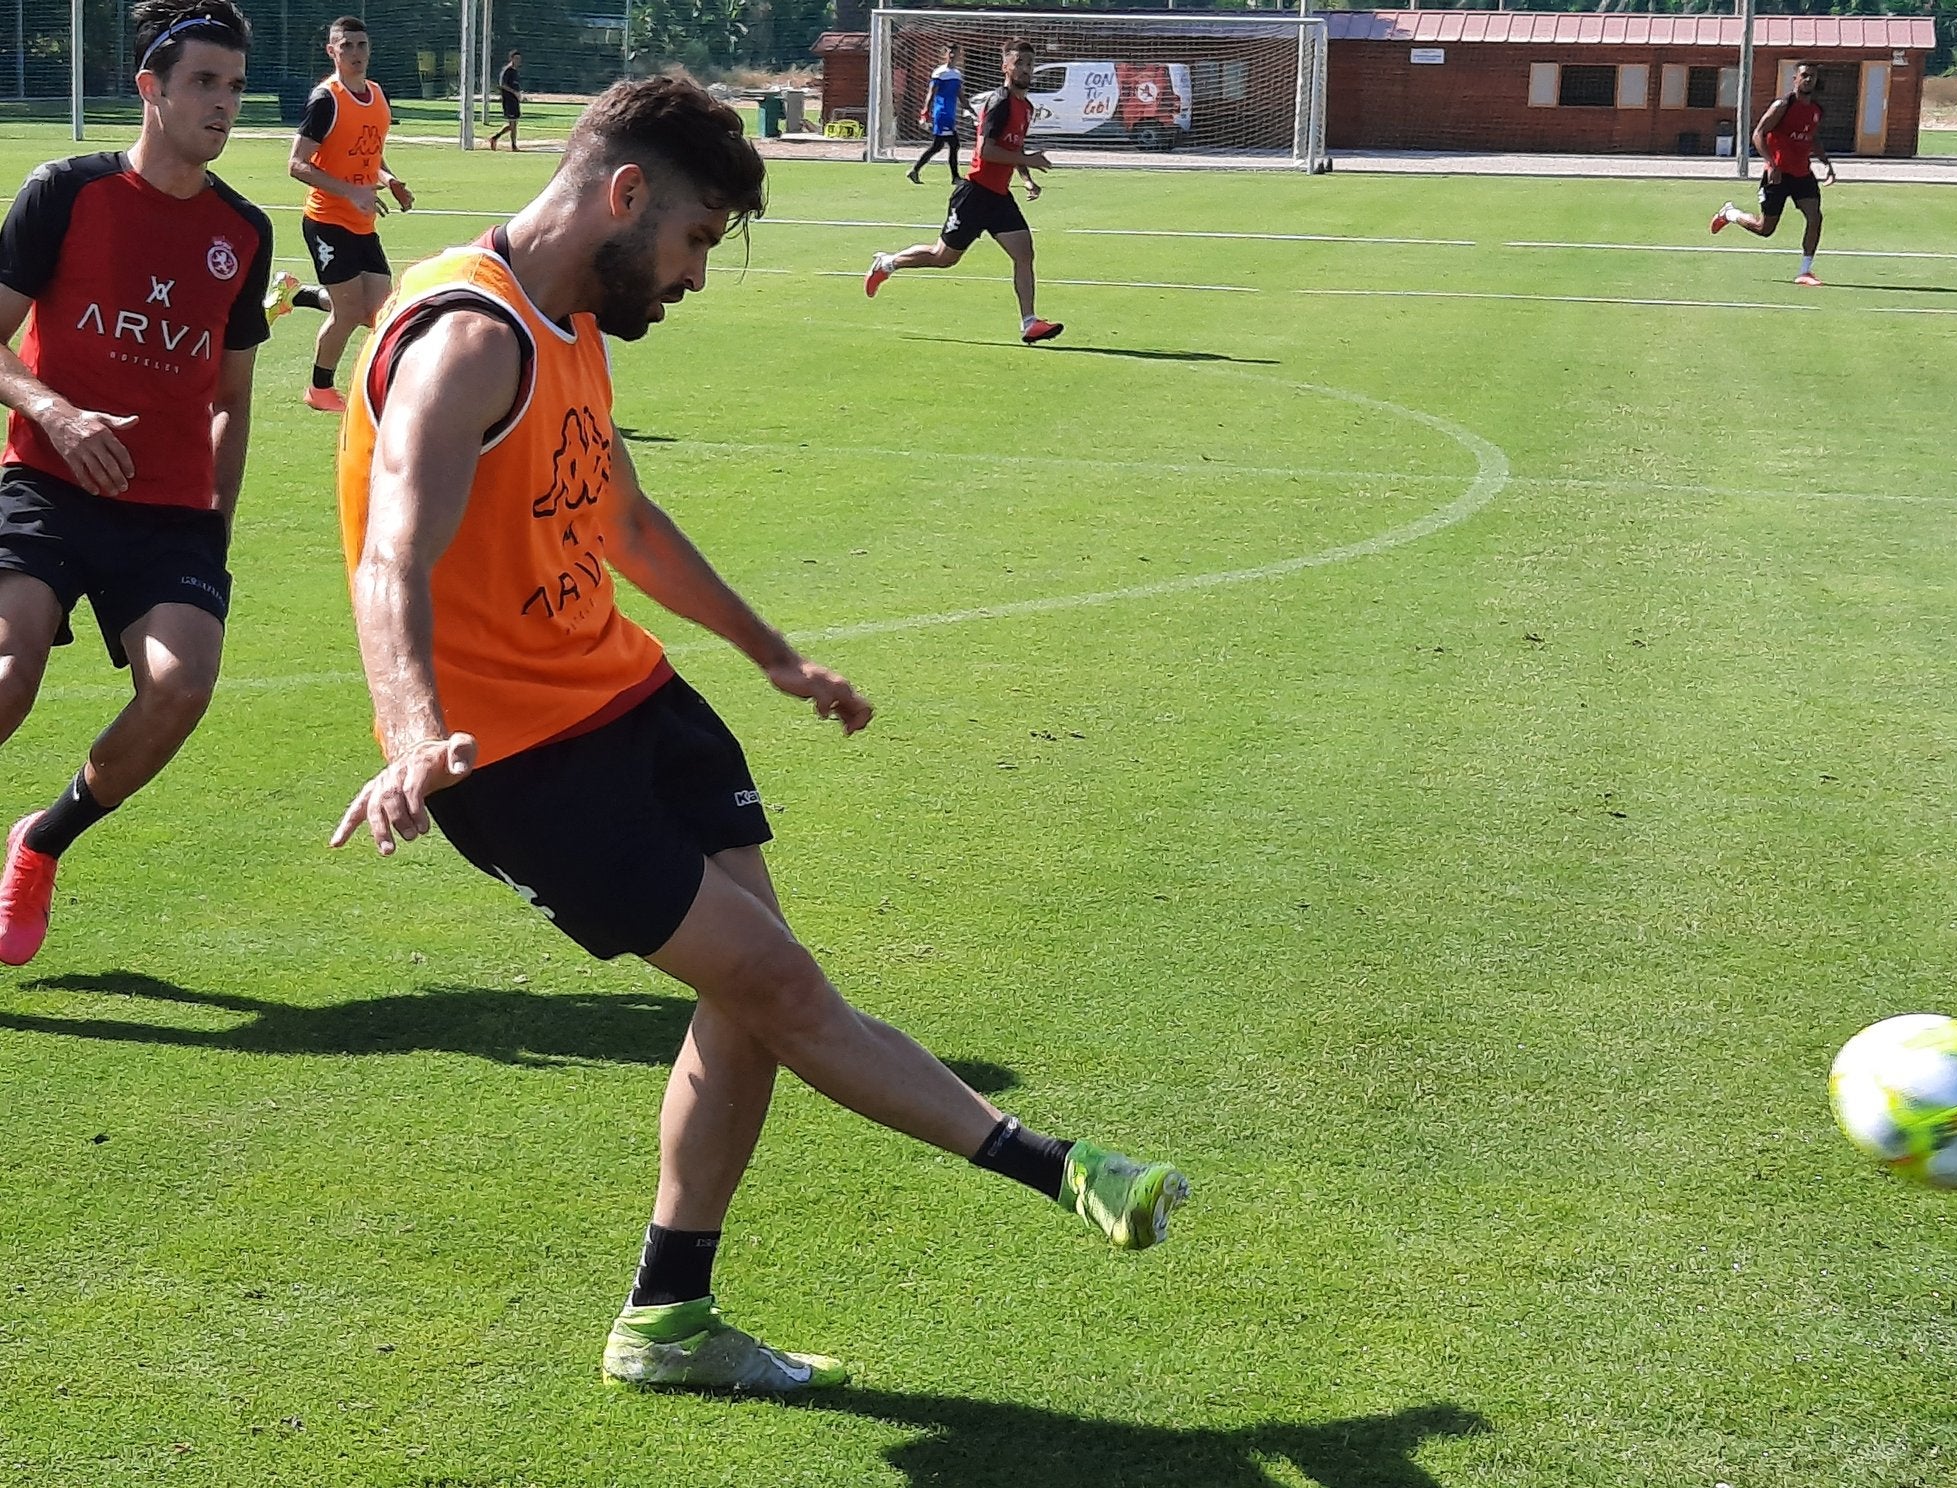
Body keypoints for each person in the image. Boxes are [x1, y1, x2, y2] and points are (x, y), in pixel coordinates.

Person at [330, 72, 1187, 1394]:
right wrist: (412, 730)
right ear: (625, 197)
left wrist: (771, 654)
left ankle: (668, 1318)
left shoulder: (566, 321)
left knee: (750, 996)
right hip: (521, 766)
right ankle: (1059, 1167)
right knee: (780, 992)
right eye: (693, 244)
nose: (691, 279)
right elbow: (392, 558)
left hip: (629, 698)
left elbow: (622, 519)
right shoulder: (466, 338)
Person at [0, 0, 271, 967]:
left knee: (181, 688)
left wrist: (216, 522)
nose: (223, 105)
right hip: (45, 481)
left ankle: (40, 843)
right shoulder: (65, 191)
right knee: (7, 673)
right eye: (204, 82)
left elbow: (233, 396)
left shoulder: (243, 231)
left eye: (235, 86)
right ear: (149, 88)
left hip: (169, 514)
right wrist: (58, 415)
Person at [864, 37, 1063, 346]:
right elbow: (988, 150)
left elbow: (1014, 146)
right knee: (942, 257)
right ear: (1005, 67)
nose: (1026, 69)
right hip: (974, 194)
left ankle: (1030, 323)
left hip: (998, 197)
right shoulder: (998, 102)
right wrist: (1027, 161)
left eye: (1029, 64)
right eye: (1019, 63)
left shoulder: (1026, 107)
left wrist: (1025, 178)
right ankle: (888, 263)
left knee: (1024, 253)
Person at [268, 14, 412, 413]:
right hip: (327, 220)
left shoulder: (377, 96)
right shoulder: (326, 99)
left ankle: (297, 294)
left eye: (361, 45)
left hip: (361, 220)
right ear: (331, 51)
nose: (355, 53)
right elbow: (297, 164)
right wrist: (351, 193)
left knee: (376, 313)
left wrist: (389, 179)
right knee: (349, 311)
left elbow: (367, 152)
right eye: (345, 46)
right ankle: (319, 390)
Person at [1711, 60, 1835, 286]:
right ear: (1795, 78)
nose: (1809, 80)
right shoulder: (1782, 106)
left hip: (1801, 174)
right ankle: (1730, 214)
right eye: (1805, 75)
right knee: (1764, 229)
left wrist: (1826, 164)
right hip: (1777, 175)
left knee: (1815, 216)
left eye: (1813, 76)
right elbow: (1758, 134)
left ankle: (1805, 271)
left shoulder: (1816, 110)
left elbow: (1813, 137)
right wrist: (1772, 163)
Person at [907, 43, 964, 185]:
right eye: (950, 52)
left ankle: (915, 170)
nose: (952, 55)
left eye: (955, 53)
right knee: (954, 144)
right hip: (942, 114)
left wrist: (972, 110)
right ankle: (955, 177)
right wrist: (925, 111)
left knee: (938, 146)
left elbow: (960, 95)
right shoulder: (940, 73)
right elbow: (931, 93)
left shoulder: (957, 74)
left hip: (950, 115)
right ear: (945, 54)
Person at [489, 49, 523, 151]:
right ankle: (513, 145)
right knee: (513, 123)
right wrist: (514, 92)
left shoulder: (515, 71)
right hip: (508, 100)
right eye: (516, 58)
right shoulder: (507, 71)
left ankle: (495, 138)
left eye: (519, 59)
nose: (518, 61)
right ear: (511, 58)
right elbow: (502, 85)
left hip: (515, 100)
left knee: (513, 124)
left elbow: (515, 85)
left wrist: (519, 94)